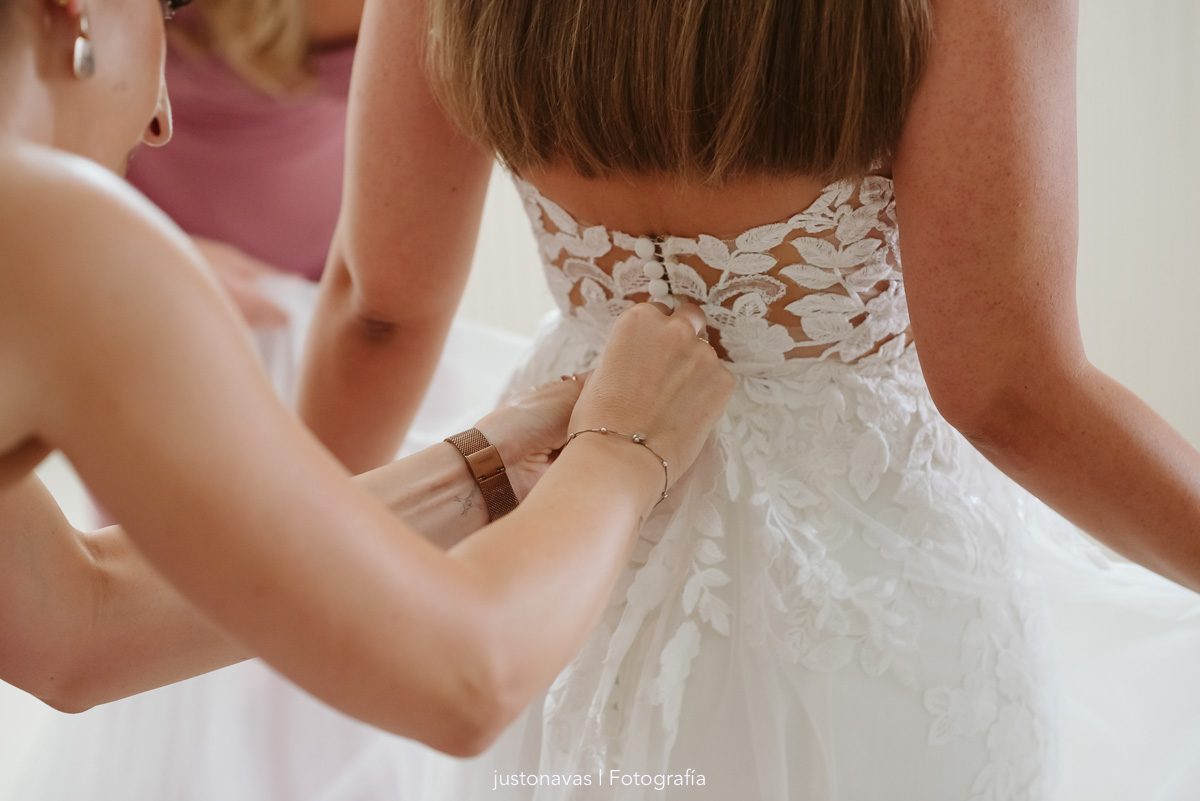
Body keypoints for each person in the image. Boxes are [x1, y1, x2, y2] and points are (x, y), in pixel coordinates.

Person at [295, 0, 1200, 799]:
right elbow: (1007, 390)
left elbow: (380, 311)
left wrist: (284, 579)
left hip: (559, 560)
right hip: (865, 593)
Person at [0, 0, 734, 766]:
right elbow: (467, 679)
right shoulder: (59, 235)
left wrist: (482, 463)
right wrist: (621, 448)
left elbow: (78, 618)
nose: (161, 119)